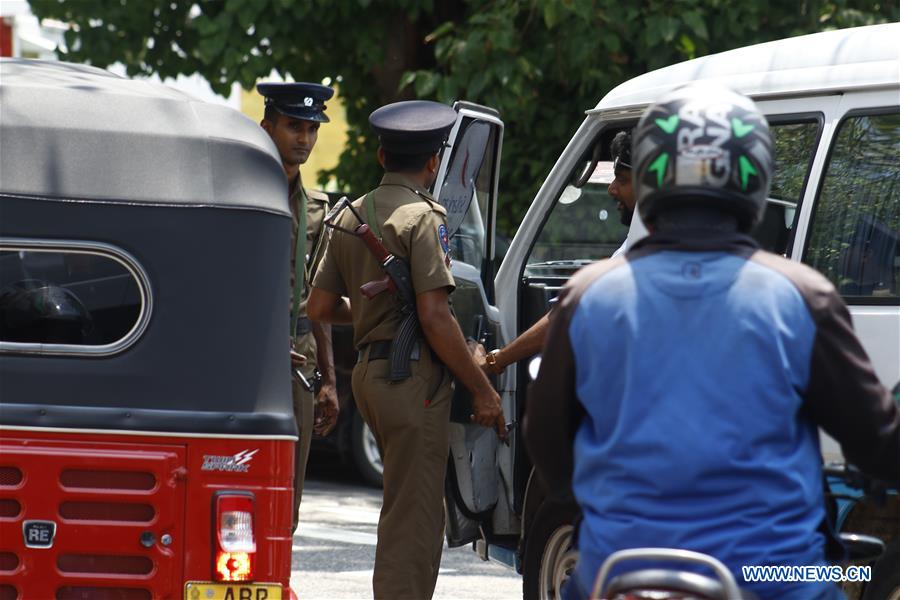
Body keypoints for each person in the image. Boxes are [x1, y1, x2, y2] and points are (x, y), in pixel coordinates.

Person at [524, 83, 900, 600]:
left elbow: (547, 443)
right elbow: (875, 442)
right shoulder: (802, 296)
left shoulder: (587, 294)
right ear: (753, 179)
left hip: (618, 572)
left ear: (650, 178)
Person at [307, 100, 507, 599]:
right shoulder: (424, 217)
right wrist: (482, 390)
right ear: (434, 162)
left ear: (380, 155)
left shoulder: (348, 214)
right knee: (415, 515)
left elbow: (319, 306)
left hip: (370, 383)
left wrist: (379, 314)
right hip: (410, 380)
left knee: (402, 505)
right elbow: (437, 318)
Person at [476, 130, 634, 377]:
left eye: (623, 179)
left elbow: (565, 317)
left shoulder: (642, 252)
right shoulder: (648, 244)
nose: (611, 189)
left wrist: (497, 360)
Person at [257, 81, 340, 534]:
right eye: (293, 127)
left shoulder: (317, 210)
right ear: (267, 126)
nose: (304, 139)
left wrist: (330, 380)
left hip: (301, 358)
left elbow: (319, 299)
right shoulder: (238, 193)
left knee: (289, 495)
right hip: (245, 361)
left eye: (311, 128)